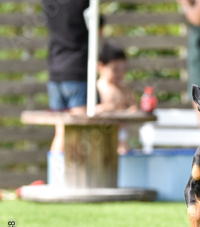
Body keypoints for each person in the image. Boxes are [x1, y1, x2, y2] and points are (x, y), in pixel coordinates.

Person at [42, 0, 90, 153]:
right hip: (76, 72)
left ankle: (55, 177)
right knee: (78, 133)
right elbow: (97, 26)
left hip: (55, 74)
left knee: (61, 133)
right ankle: (74, 178)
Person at [96, 42, 139, 154]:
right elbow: (89, 110)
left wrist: (131, 111)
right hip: (101, 134)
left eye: (123, 69)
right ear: (100, 67)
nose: (120, 74)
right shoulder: (97, 87)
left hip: (121, 131)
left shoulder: (124, 87)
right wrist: (105, 108)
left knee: (122, 151)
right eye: (115, 69)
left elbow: (134, 106)